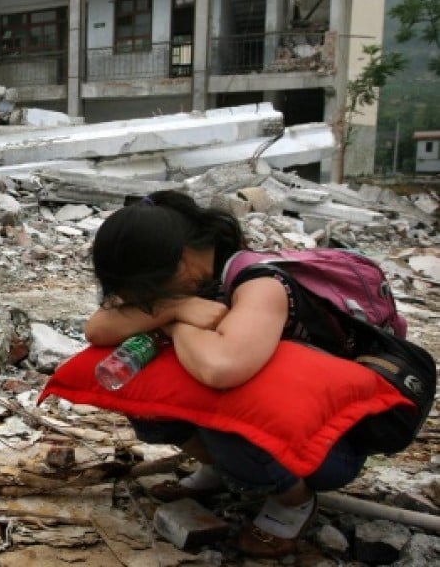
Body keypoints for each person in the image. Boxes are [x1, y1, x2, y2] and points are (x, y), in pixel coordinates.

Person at [84, 190, 368, 558]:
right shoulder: (191, 286)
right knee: (140, 378)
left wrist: (173, 323)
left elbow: (221, 369)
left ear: (182, 261)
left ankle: (292, 501)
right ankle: (226, 472)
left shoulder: (261, 285)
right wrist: (178, 308)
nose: (146, 297)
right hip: (284, 427)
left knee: (221, 401)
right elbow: (98, 328)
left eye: (146, 289)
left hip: (330, 448)